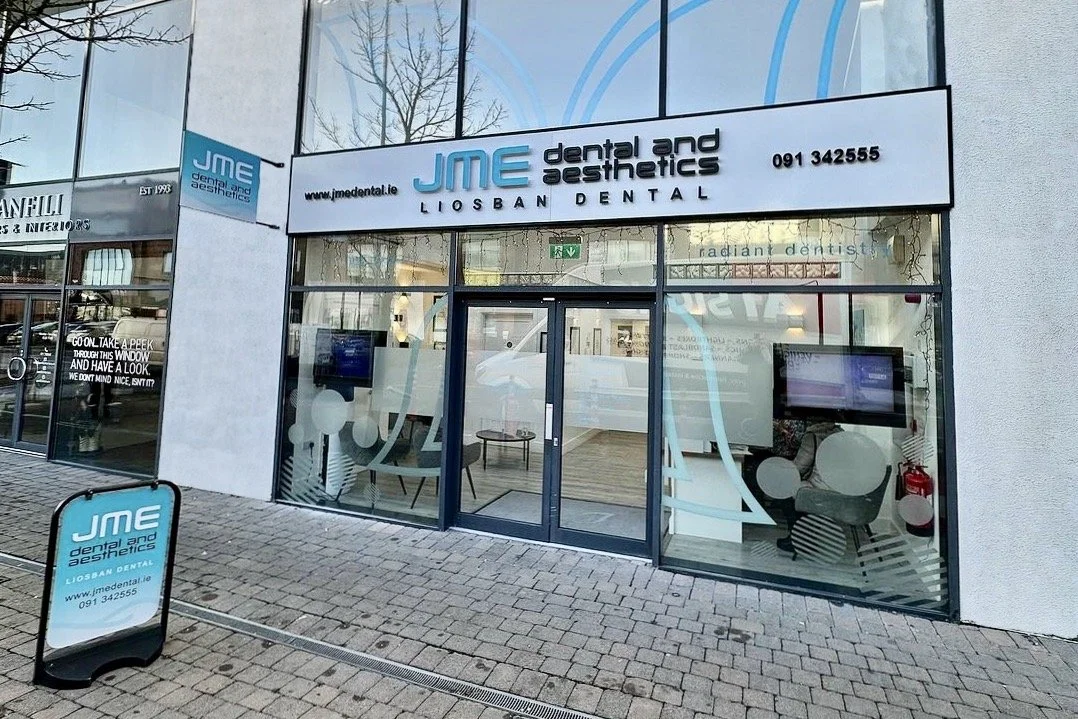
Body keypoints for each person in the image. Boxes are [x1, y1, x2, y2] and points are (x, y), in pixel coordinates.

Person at [776, 420, 843, 553]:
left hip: (819, 490)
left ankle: (797, 539)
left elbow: (799, 468)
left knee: (783, 490)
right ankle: (809, 535)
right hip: (840, 490)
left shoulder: (813, 436)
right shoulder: (840, 433)